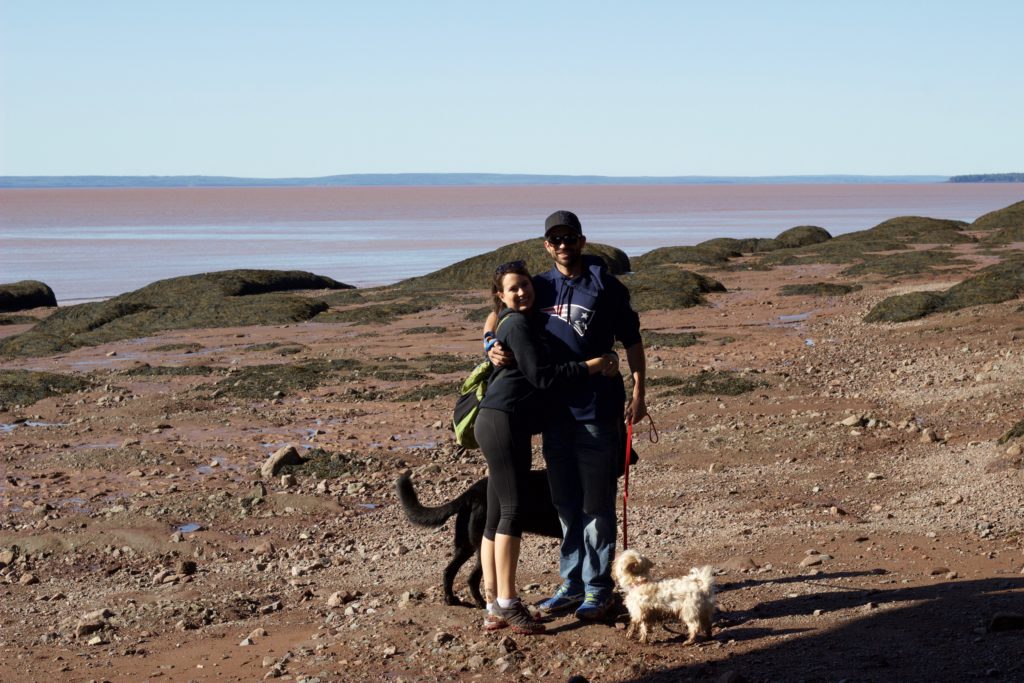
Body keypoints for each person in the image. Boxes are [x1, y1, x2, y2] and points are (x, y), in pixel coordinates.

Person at [486, 210, 647, 621]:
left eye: (569, 237)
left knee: (597, 505)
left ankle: (598, 589)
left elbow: (632, 340)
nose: (563, 245)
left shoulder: (605, 286)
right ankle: (571, 584)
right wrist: (489, 342)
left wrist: (639, 392)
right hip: (554, 414)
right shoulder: (539, 285)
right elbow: (496, 310)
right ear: (546, 245)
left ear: (581, 239)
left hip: (597, 412)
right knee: (565, 505)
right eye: (555, 239)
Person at [477, 259, 620, 635]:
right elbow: (541, 376)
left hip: (495, 419)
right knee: (511, 512)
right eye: (514, 288)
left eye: (525, 285)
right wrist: (592, 365)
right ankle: (508, 602)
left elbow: (492, 322)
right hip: (505, 419)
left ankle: (492, 605)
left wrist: (489, 338)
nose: (523, 292)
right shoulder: (520, 322)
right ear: (501, 295)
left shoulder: (517, 316)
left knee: (494, 517)